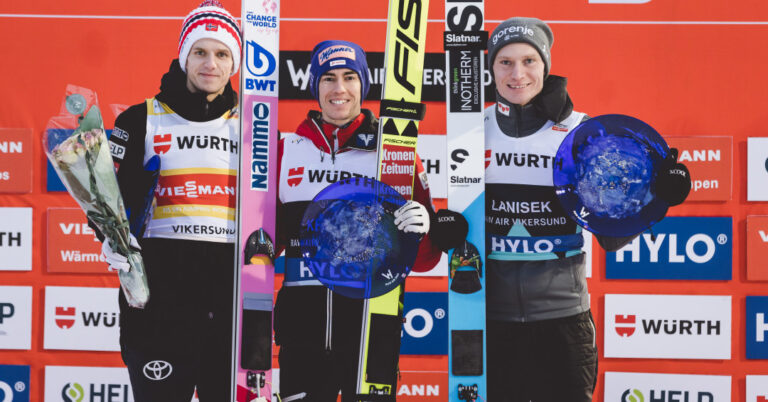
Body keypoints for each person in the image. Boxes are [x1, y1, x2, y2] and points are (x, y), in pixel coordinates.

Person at [481, 17, 691, 401]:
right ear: (491, 67)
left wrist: (654, 196)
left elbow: (611, 239)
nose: (517, 74)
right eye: (505, 62)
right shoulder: (471, 131)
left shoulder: (584, 134)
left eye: (529, 61)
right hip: (486, 321)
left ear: (545, 64)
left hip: (562, 320)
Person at [274, 40, 442, 401]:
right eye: (328, 78)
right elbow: (265, 244)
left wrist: (423, 228)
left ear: (363, 85)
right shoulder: (285, 150)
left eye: (350, 77)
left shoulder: (392, 151)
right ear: (314, 86)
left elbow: (426, 260)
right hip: (303, 330)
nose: (339, 89)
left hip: (371, 326)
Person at [98, 1, 241, 400]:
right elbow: (107, 201)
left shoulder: (252, 125)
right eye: (200, 51)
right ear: (184, 56)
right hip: (159, 304)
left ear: (234, 64)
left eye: (221, 53)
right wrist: (110, 238)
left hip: (227, 308)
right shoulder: (139, 118)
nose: (210, 63)